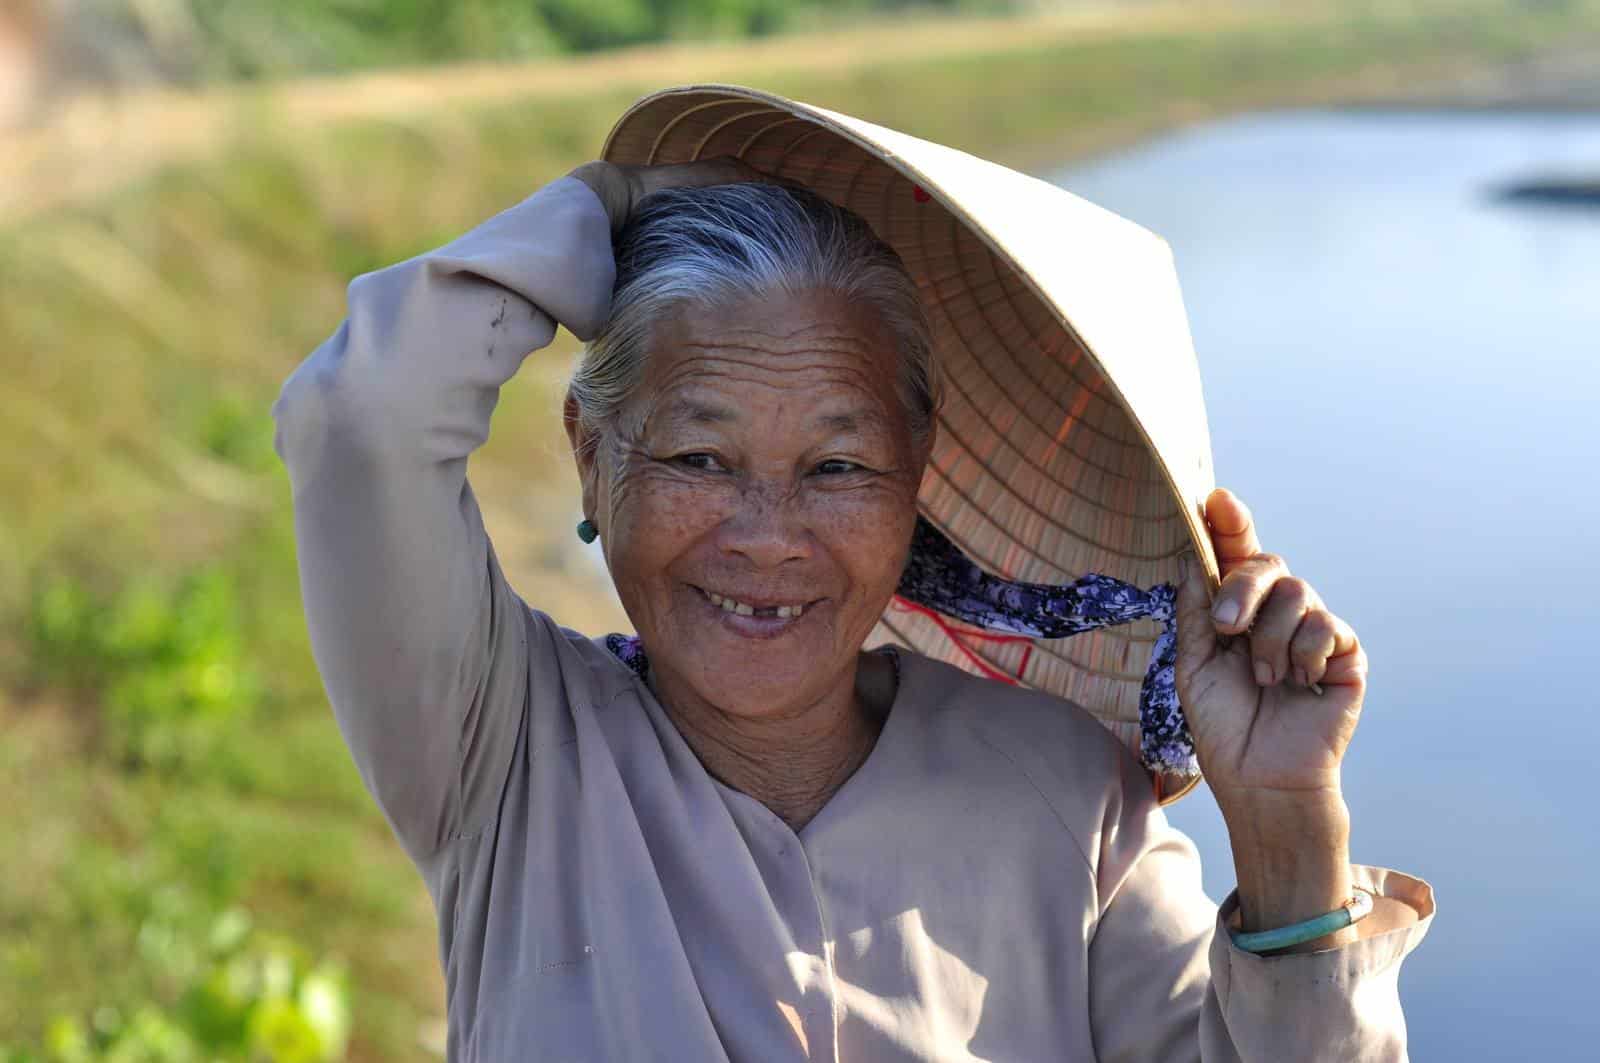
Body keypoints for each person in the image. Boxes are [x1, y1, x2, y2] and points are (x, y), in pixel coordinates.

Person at [274, 88, 1433, 1061]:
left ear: (915, 478)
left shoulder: (1066, 792)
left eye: (836, 465)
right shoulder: (504, 751)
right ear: (591, 458)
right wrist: (614, 205)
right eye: (697, 456)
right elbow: (361, 418)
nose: (766, 537)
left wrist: (1286, 833)